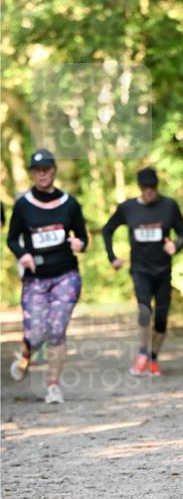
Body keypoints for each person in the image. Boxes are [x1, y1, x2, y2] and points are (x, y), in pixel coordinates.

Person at [6, 149, 88, 404]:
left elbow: (83, 237)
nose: (42, 174)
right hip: (36, 278)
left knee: (56, 329)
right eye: (37, 170)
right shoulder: (23, 204)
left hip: (66, 274)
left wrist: (80, 244)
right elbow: (11, 238)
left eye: (47, 169)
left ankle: (53, 386)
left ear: (54, 170)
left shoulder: (69, 203)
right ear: (32, 173)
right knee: (36, 332)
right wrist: (23, 255)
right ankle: (26, 354)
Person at [102, 167, 183, 377]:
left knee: (161, 317)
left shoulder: (169, 206)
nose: (149, 190)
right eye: (145, 187)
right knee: (144, 311)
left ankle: (153, 358)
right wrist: (112, 257)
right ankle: (142, 354)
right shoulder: (128, 208)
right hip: (140, 270)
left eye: (152, 186)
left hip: (163, 270)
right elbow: (107, 229)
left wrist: (175, 246)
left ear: (157, 186)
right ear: (139, 187)